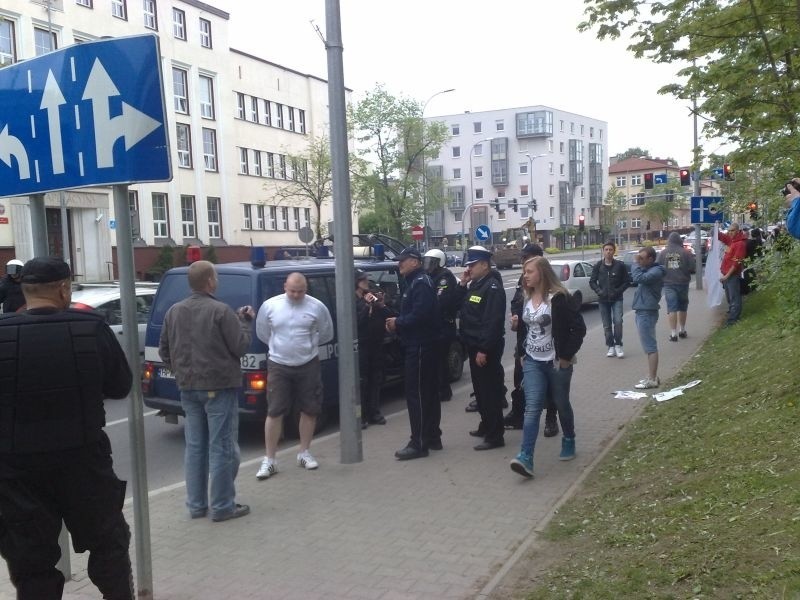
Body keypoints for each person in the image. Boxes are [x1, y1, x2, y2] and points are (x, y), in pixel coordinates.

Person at [0, 257, 134, 599]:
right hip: (84, 464)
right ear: (63, 288)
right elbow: (120, 386)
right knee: (109, 549)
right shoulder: (90, 327)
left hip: (17, 473)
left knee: (32, 564)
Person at [159, 260, 253, 522]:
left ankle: (197, 505)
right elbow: (240, 346)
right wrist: (244, 322)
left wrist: (180, 370)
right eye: (216, 277)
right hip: (218, 387)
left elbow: (165, 350)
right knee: (221, 446)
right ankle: (223, 505)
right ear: (210, 281)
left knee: (195, 447)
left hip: (187, 388)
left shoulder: (174, 311)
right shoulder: (220, 311)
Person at [509, 256, 585, 478]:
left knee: (561, 403)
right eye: (524, 272)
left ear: (542, 273)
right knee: (532, 407)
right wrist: (522, 352)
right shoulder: (526, 297)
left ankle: (569, 439)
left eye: (529, 271)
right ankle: (526, 457)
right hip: (532, 362)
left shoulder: (559, 299)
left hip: (556, 362)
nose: (526, 275)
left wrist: (566, 356)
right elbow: (525, 328)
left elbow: (578, 329)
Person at [255, 273, 334, 477]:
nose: (296, 295)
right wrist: (281, 348)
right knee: (275, 410)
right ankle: (270, 459)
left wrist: (308, 347)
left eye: (300, 291)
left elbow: (326, 333)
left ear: (306, 289)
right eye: (292, 291)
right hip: (279, 364)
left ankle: (304, 452)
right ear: (285, 287)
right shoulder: (270, 306)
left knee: (310, 408)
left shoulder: (316, 306)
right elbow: (263, 332)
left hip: (308, 363)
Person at [386, 248, 442, 460]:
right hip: (422, 344)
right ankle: (432, 437)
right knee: (427, 393)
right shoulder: (417, 282)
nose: (399, 264)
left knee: (416, 394)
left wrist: (397, 323)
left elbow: (421, 314)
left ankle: (418, 443)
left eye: (403, 260)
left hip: (420, 345)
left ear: (415, 262)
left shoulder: (420, 283)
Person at [505, 242, 561, 436]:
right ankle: (519, 414)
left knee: (550, 386)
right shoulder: (524, 279)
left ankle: (551, 418)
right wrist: (515, 316)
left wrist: (566, 354)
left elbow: (571, 326)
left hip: (549, 349)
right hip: (525, 343)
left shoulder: (550, 286)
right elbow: (515, 303)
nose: (522, 262)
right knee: (519, 379)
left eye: (526, 258)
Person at [455, 246, 507, 451]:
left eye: (472, 265)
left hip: (485, 349)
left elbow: (492, 322)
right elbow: (458, 307)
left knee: (489, 393)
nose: (469, 268)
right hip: (474, 346)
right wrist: (462, 283)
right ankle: (486, 426)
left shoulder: (492, 288)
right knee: (480, 391)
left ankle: (495, 436)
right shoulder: (476, 285)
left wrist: (484, 349)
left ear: (484, 265)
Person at [422, 248, 460, 403]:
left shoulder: (444, 278)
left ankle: (443, 391)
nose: (428, 266)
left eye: (431, 263)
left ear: (439, 263)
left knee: (440, 361)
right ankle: (439, 389)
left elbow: (440, 301)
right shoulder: (431, 276)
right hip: (437, 326)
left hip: (444, 325)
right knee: (435, 360)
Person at [355, 269, 389, 428]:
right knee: (362, 382)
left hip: (376, 344)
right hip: (361, 346)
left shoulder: (372, 295)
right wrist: (366, 306)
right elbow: (356, 323)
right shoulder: (351, 300)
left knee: (376, 379)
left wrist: (381, 304)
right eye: (363, 280)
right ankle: (360, 416)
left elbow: (387, 315)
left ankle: (374, 412)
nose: (366, 282)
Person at [631, 247, 666, 389]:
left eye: (642, 258)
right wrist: (639, 263)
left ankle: (652, 379)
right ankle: (652, 376)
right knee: (648, 346)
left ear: (651, 259)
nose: (640, 260)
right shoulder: (650, 269)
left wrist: (635, 263)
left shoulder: (656, 272)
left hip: (647, 312)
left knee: (650, 347)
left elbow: (638, 278)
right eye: (639, 257)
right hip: (642, 310)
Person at [589, 241, 630, 358]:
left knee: (618, 322)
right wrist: (599, 291)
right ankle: (610, 346)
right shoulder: (598, 266)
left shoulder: (620, 265)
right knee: (606, 325)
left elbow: (627, 282)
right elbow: (592, 281)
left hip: (617, 299)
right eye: (606, 250)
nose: (608, 252)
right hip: (603, 300)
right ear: (603, 251)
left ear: (614, 251)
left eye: (610, 250)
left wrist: (618, 291)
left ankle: (618, 345)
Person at [657, 232, 695, 341]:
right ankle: (682, 330)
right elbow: (692, 268)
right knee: (683, 306)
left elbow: (658, 267)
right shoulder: (686, 253)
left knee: (671, 308)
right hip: (683, 283)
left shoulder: (663, 253)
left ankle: (673, 334)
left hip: (669, 284)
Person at [717, 222, 747, 326]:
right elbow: (721, 237)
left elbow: (736, 263)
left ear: (738, 231)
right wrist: (715, 227)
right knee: (730, 297)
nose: (730, 232)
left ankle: (733, 320)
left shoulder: (740, 244)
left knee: (734, 298)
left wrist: (727, 275)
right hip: (727, 275)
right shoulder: (732, 241)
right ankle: (732, 314)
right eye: (729, 230)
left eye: (732, 230)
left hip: (732, 275)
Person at [741, 228, 764, 295]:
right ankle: (753, 285)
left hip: (747, 259)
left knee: (748, 272)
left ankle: (751, 287)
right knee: (750, 271)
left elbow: (746, 250)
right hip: (751, 258)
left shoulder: (749, 242)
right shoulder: (753, 241)